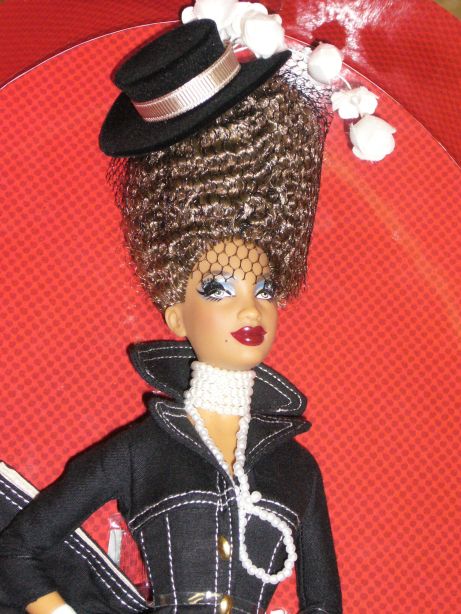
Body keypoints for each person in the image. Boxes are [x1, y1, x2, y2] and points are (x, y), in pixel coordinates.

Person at [0, 16, 341, 614]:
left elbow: (325, 603)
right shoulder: (141, 451)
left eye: (264, 286)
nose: (250, 306)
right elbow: (17, 549)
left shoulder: (296, 467)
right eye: (217, 287)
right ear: (176, 315)